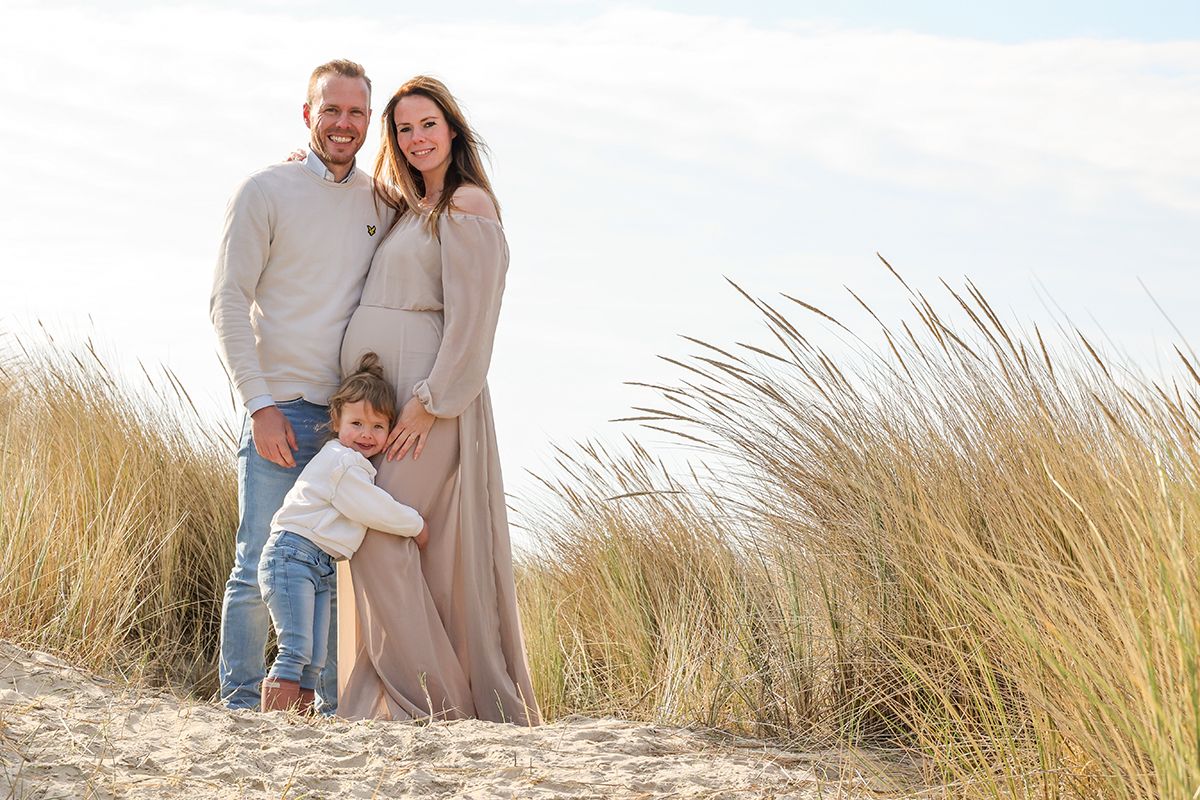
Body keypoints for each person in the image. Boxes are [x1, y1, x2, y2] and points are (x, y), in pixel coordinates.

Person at [336, 75, 540, 724]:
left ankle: (437, 701)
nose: (417, 138)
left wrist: (432, 399)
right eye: (404, 129)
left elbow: (474, 321)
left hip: (430, 401)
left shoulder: (469, 205)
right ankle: (399, 700)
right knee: (397, 538)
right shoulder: (411, 209)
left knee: (374, 527)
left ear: (452, 129)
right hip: (389, 397)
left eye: (428, 124)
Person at [210, 59, 391, 713]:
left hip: (350, 423)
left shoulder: (380, 200)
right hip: (279, 406)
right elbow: (227, 302)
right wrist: (258, 404)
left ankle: (329, 706)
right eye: (331, 110)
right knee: (260, 557)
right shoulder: (265, 190)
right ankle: (237, 701)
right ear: (307, 114)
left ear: (369, 121)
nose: (343, 124)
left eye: (356, 113)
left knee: (335, 568)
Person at [258, 353, 428, 713]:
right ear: (336, 421)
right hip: (292, 556)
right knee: (296, 648)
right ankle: (272, 728)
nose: (366, 434)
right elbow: (371, 507)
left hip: (318, 563)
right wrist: (416, 525)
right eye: (357, 423)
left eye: (378, 427)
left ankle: (298, 724)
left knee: (316, 657)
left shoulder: (356, 465)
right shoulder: (341, 462)